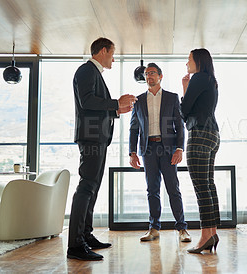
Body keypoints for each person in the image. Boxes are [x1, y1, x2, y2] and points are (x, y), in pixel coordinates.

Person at [68, 37, 137, 261]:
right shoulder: (87, 70)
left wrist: (116, 111)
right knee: (86, 187)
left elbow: (95, 106)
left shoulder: (94, 73)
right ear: (103, 51)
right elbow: (87, 101)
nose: (114, 59)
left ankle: (86, 236)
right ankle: (75, 245)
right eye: (112, 54)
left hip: (98, 137)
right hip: (91, 137)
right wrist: (115, 102)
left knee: (92, 188)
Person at [129, 63, 191, 243]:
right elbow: (134, 129)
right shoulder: (138, 100)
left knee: (173, 189)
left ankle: (182, 228)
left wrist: (179, 148)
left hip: (168, 150)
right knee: (152, 190)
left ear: (160, 76)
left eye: (153, 73)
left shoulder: (172, 98)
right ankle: (154, 228)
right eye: (147, 74)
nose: (149, 76)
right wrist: (132, 152)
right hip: (148, 150)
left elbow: (180, 126)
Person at [180, 48, 220, 254]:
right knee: (208, 184)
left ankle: (205, 235)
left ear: (198, 61)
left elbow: (184, 111)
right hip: (213, 135)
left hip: (199, 134)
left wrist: (184, 88)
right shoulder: (211, 80)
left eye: (189, 60)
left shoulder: (197, 78)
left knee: (201, 186)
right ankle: (212, 232)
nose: (187, 63)